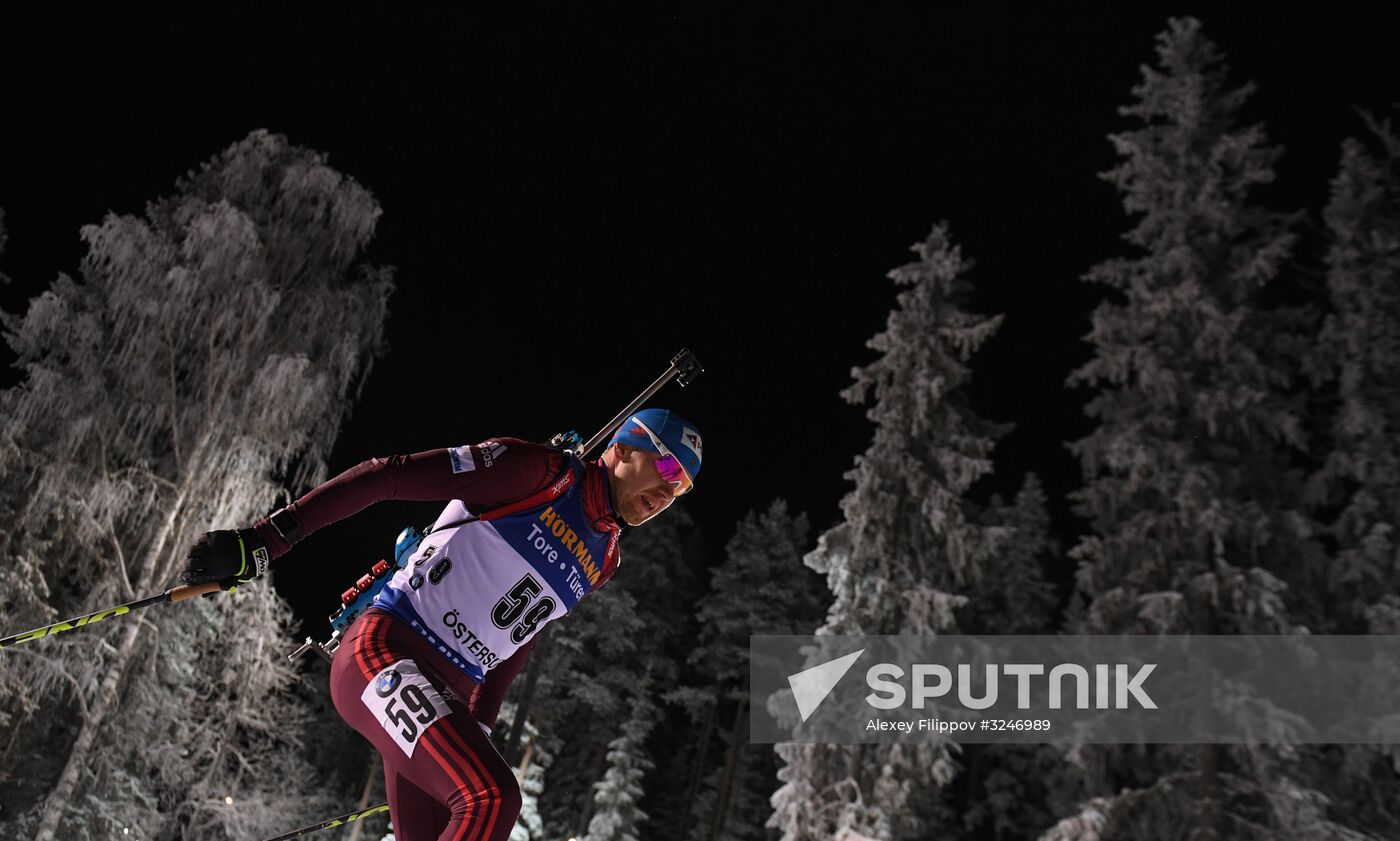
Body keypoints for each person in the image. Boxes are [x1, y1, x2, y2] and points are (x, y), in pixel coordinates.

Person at [179, 408, 703, 841]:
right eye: (666, 469)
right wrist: (266, 539)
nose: (668, 492)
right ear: (625, 447)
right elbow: (391, 474)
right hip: (384, 651)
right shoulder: (539, 473)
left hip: (445, 693)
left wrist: (478, 723)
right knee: (491, 799)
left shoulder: (605, 555)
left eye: (681, 488)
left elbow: (523, 635)